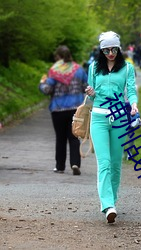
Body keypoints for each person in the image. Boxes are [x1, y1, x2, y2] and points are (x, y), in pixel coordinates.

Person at [85, 31, 138, 223]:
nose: (110, 53)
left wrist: (133, 104)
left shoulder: (127, 68)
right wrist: (90, 92)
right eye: (106, 50)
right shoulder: (93, 68)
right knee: (104, 163)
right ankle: (107, 205)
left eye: (114, 49)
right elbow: (91, 97)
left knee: (116, 164)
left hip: (119, 119)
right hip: (98, 118)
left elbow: (130, 90)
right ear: (101, 50)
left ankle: (112, 201)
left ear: (119, 48)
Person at [39, 45, 88, 175]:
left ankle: (60, 166)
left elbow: (47, 90)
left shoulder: (54, 71)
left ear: (58, 57)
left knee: (60, 138)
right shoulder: (79, 70)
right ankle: (75, 163)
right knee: (74, 137)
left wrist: (42, 83)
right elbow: (86, 87)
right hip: (75, 109)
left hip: (58, 109)